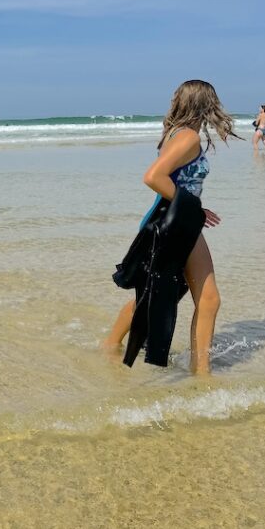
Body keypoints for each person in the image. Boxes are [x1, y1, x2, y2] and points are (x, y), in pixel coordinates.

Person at [102, 79, 237, 375]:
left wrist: (194, 208)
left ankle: (110, 345)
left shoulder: (175, 133)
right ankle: (201, 372)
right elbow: (153, 177)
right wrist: (190, 207)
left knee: (154, 294)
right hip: (173, 222)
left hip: (170, 219)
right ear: (206, 103)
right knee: (208, 298)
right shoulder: (188, 137)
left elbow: (174, 183)